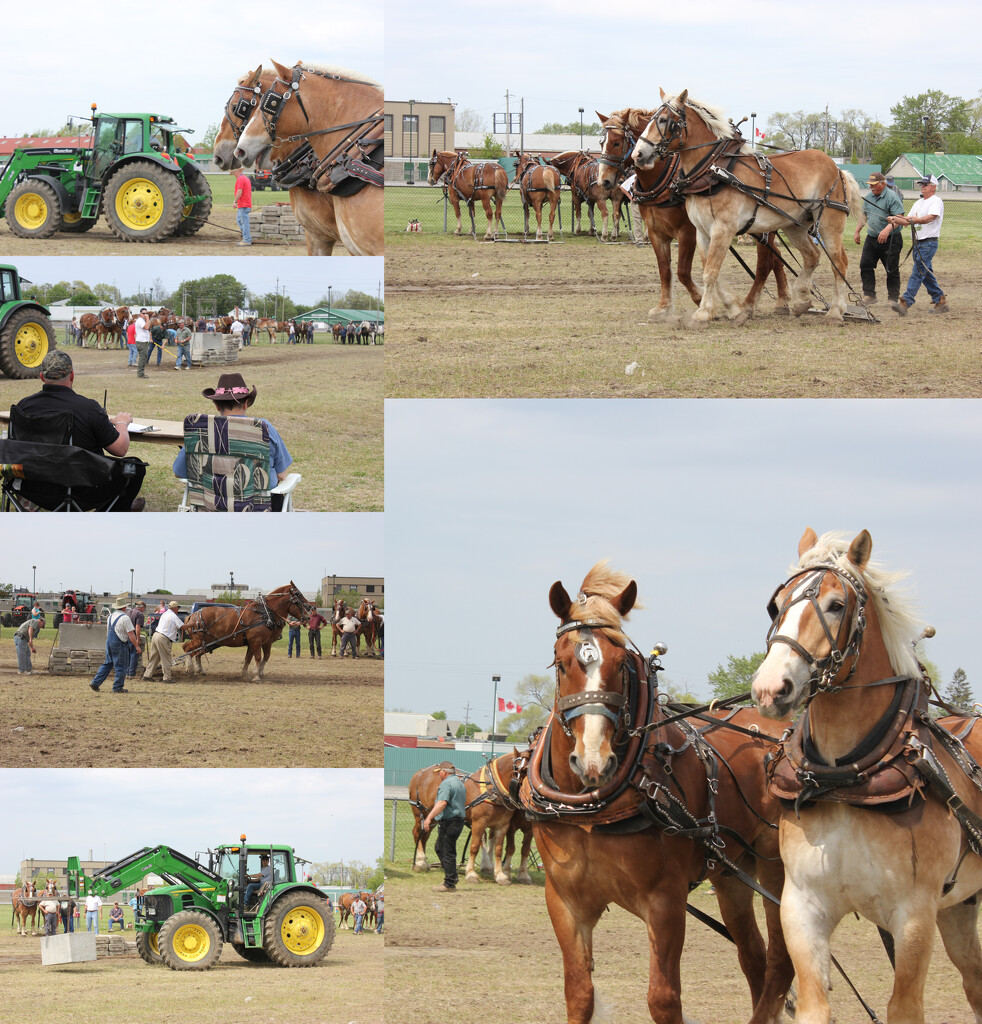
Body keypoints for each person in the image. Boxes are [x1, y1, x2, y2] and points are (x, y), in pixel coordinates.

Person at [13, 351, 146, 511]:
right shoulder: (88, 408)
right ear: (72, 376)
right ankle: (115, 511)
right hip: (82, 491)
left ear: (42, 377)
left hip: (34, 488)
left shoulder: (23, 407)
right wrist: (122, 423)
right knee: (136, 467)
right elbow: (120, 449)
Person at [171, 372, 295, 510]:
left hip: (212, 508)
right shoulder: (264, 428)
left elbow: (179, 472)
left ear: (217, 406)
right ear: (246, 404)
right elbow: (282, 475)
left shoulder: (199, 431)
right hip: (260, 510)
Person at [890, 175, 949, 316]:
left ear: (933, 187)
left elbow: (930, 217)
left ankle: (906, 302)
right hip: (918, 242)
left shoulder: (936, 201)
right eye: (921, 184)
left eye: (926, 184)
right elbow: (907, 219)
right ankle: (940, 300)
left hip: (928, 243)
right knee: (926, 273)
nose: (922, 186)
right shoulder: (918, 203)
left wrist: (915, 220)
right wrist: (894, 219)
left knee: (918, 272)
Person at [854, 172, 905, 306]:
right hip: (872, 237)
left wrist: (887, 230)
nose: (871, 187)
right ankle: (869, 295)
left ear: (882, 184)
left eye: (874, 185)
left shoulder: (892, 197)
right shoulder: (869, 197)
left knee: (891, 269)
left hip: (891, 239)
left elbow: (899, 218)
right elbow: (864, 216)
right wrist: (857, 231)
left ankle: (892, 298)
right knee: (865, 265)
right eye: (870, 185)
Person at [422, 762, 467, 892]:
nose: (439, 775)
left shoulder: (446, 784)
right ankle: (452, 876)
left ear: (444, 772)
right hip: (457, 821)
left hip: (449, 822)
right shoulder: (459, 783)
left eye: (439, 772)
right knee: (440, 848)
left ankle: (449, 883)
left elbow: (442, 802)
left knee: (447, 851)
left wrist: (429, 818)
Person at [89, 595, 142, 694]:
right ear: (124, 607)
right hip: (119, 643)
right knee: (121, 666)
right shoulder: (125, 618)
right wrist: (136, 646)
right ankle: (117, 687)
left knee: (107, 664)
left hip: (109, 641)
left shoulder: (111, 616)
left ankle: (95, 682)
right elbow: (131, 633)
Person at [142, 601, 183, 683]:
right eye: (177, 608)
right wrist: (192, 625)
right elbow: (182, 626)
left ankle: (147, 675)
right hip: (163, 638)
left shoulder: (165, 613)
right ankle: (167, 678)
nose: (178, 610)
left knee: (154, 657)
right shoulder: (173, 616)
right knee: (166, 658)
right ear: (175, 608)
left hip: (156, 635)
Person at [127, 600, 146, 678]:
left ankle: (127, 672)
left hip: (125, 635)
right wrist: (138, 638)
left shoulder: (128, 612)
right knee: (134, 654)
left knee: (127, 654)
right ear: (142, 608)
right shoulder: (140, 614)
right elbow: (137, 627)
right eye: (144, 608)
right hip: (133, 635)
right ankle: (131, 674)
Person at [234, 170, 252, 246]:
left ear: (236, 172)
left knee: (244, 223)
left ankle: (247, 240)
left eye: (234, 173)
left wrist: (235, 201)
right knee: (239, 220)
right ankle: (246, 237)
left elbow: (239, 191)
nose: (234, 175)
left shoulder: (240, 179)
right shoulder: (246, 178)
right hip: (245, 203)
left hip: (243, 204)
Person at [134, 309, 151, 378]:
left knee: (144, 357)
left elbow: (148, 326)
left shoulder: (143, 320)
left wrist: (147, 319)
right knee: (142, 358)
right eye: (143, 313)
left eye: (146, 313)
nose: (145, 315)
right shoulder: (140, 320)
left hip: (144, 341)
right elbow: (146, 327)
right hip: (141, 341)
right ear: (140, 313)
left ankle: (141, 372)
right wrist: (147, 318)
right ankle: (140, 373)